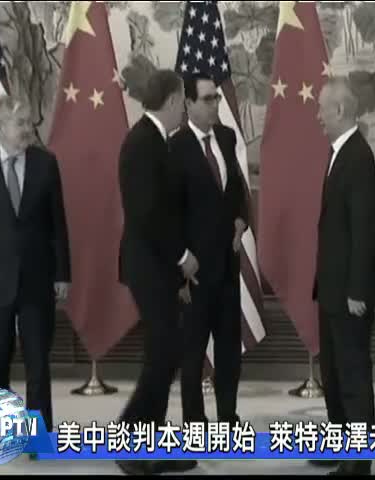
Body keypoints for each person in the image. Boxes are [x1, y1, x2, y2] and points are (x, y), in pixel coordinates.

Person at [0, 95, 70, 449]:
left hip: (38, 280)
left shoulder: (46, 163)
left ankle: (39, 439)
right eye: (20, 123)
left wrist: (62, 273)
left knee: (38, 364)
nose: (28, 129)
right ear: (0, 126)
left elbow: (58, 225)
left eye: (28, 122)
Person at [116, 69, 199, 476]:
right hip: (149, 265)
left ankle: (151, 445)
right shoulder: (142, 143)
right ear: (170, 100)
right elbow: (147, 214)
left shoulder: (155, 140)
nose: (185, 107)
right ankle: (129, 438)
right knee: (163, 353)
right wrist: (182, 257)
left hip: (158, 266)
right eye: (183, 99)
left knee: (165, 353)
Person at [311, 77, 375, 476]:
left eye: (322, 108)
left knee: (353, 374)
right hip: (331, 288)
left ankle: (358, 461)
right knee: (333, 372)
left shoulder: (357, 155)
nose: (317, 116)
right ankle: (340, 444)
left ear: (339, 110)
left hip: (349, 291)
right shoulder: (340, 151)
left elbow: (362, 229)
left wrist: (358, 289)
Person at [169, 73, 249, 426]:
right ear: (188, 104)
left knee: (229, 349)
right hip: (195, 271)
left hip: (228, 266)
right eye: (208, 99)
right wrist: (180, 271)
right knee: (193, 351)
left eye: (217, 97)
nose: (216, 104)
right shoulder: (175, 147)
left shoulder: (227, 138)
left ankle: (228, 416)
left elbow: (236, 193)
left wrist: (241, 220)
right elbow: (170, 214)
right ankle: (194, 421)